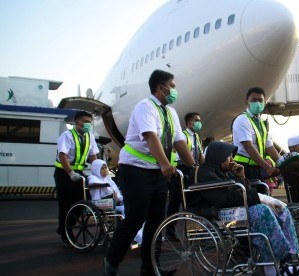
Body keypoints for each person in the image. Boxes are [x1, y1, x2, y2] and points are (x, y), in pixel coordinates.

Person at [104, 69, 195, 276]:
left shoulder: (171, 113)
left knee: (157, 221)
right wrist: (164, 164)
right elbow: (150, 136)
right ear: (160, 87)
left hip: (157, 173)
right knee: (136, 218)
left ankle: (150, 268)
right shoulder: (145, 107)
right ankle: (112, 260)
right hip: (135, 170)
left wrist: (196, 167)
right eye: (172, 86)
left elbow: (180, 142)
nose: (174, 90)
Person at [190, 141, 299, 276]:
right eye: (228, 157)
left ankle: (292, 253)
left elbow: (240, 192)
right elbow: (224, 198)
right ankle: (281, 257)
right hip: (217, 211)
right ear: (218, 156)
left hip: (234, 207)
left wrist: (241, 177)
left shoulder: (224, 172)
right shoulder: (205, 173)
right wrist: (252, 196)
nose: (232, 160)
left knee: (281, 209)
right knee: (262, 211)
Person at [54, 110, 99, 246]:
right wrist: (70, 173)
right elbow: (63, 156)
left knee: (84, 201)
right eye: (85, 122)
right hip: (64, 173)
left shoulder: (90, 136)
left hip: (79, 173)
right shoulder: (67, 136)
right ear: (77, 122)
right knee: (65, 204)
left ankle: (65, 228)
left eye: (89, 123)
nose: (88, 125)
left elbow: (93, 156)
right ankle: (66, 235)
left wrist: (99, 170)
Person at [165, 112, 205, 239]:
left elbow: (200, 156)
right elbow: (177, 153)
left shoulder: (197, 137)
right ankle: (170, 232)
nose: (199, 122)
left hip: (193, 171)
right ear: (189, 123)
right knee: (175, 201)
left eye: (199, 120)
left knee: (195, 200)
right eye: (196, 120)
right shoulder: (183, 135)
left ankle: (197, 230)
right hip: (181, 171)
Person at [232, 87, 280, 182]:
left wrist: (283, 164)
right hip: (245, 168)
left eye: (260, 100)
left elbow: (269, 147)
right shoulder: (242, 120)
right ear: (247, 102)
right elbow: (248, 147)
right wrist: (267, 168)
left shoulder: (261, 123)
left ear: (264, 102)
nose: (257, 103)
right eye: (254, 100)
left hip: (258, 167)